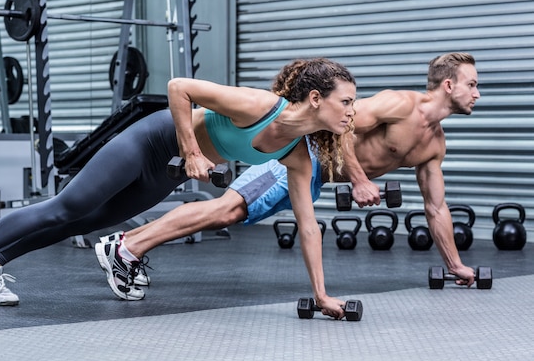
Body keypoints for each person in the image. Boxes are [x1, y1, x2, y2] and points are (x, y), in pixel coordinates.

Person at [0, 57, 357, 319]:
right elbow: (179, 87)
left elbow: (308, 226)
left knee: (90, 219)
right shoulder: (261, 107)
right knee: (66, 205)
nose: (352, 112)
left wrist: (321, 295)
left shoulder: (298, 154)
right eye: (347, 102)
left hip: (166, 170)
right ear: (316, 98)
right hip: (150, 141)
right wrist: (190, 151)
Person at [95, 51, 480, 303]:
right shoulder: (400, 105)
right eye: (472, 84)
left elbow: (436, 206)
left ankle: (126, 243)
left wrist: (455, 266)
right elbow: (338, 126)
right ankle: (127, 246)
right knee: (229, 210)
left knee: (230, 211)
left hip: (312, 177)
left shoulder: (434, 145)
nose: (477, 93)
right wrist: (360, 179)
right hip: (300, 153)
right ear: (449, 85)